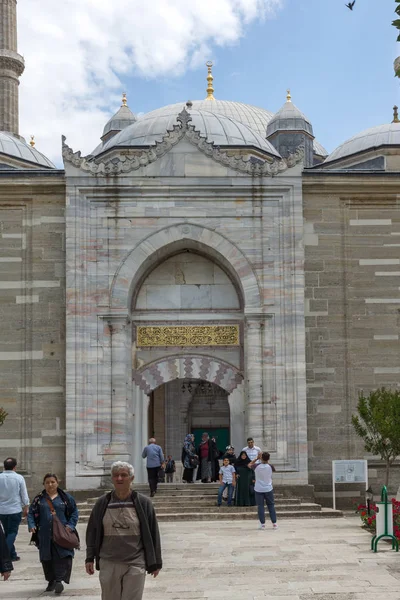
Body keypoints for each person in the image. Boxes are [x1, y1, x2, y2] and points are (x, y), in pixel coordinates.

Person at [85, 461, 162, 600]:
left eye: (124, 475)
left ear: (131, 478)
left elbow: (153, 533)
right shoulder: (102, 502)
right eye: (116, 475)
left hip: (136, 561)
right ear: (112, 478)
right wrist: (89, 557)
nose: (119, 478)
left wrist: (156, 562)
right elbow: (92, 531)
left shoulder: (143, 503)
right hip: (109, 562)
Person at [28, 473, 79, 594]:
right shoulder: (38, 499)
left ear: (57, 483)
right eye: (47, 482)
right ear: (44, 484)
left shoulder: (66, 498)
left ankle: (59, 581)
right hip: (44, 534)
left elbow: (74, 513)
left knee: (63, 556)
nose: (50, 484)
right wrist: (31, 525)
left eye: (52, 482)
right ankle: (51, 580)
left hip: (62, 533)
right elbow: (31, 513)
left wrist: (70, 526)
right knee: (47, 558)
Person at [0, 457, 30, 562]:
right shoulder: (19, 478)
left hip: (2, 511)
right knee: (12, 532)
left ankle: (13, 555)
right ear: (15, 467)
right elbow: (24, 494)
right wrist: (26, 506)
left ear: (4, 466)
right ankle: (4, 555)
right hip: (14, 510)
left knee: (7, 533)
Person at [249, 451, 278, 530]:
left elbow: (249, 465)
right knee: (271, 506)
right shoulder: (270, 466)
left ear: (261, 458)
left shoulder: (256, 466)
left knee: (260, 506)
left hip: (258, 488)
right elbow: (273, 471)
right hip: (268, 488)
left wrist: (256, 458)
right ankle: (274, 523)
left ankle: (262, 524)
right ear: (268, 458)